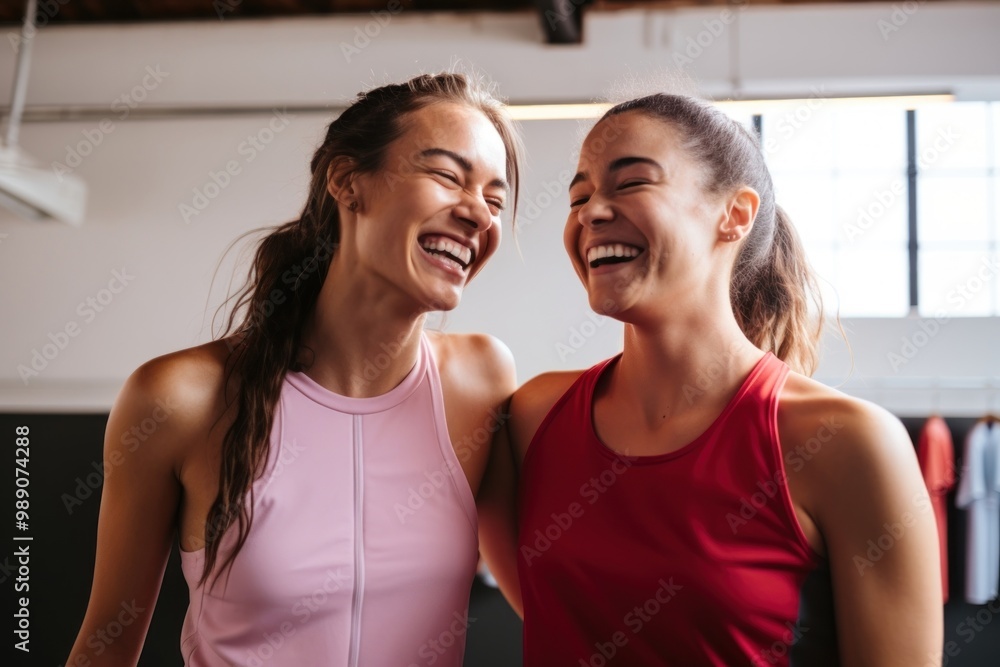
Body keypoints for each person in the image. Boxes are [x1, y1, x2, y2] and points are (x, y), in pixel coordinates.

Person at [66, 71, 523, 666]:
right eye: (446, 175)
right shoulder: (180, 398)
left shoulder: (482, 381)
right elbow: (105, 648)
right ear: (346, 180)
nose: (478, 216)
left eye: (494, 200)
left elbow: (556, 603)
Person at [479, 94, 942, 665]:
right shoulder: (532, 416)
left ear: (735, 214)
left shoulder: (846, 442)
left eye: (630, 184)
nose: (591, 212)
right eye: (579, 196)